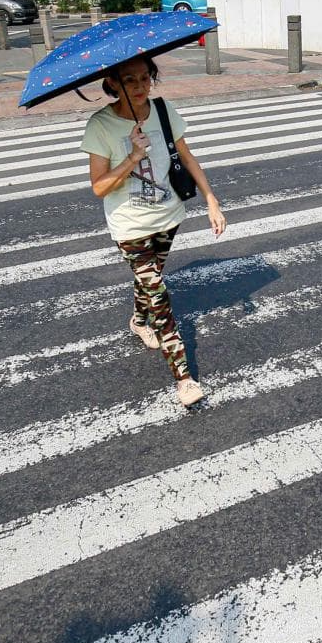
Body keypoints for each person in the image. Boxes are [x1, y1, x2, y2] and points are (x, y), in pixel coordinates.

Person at [80, 55, 226, 407]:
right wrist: (131, 157)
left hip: (169, 214)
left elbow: (187, 157)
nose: (141, 86)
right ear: (112, 83)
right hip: (129, 225)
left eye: (146, 78)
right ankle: (185, 379)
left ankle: (136, 320)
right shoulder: (99, 125)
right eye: (130, 80)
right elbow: (99, 187)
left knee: (150, 277)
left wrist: (211, 199)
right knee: (158, 294)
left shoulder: (163, 110)